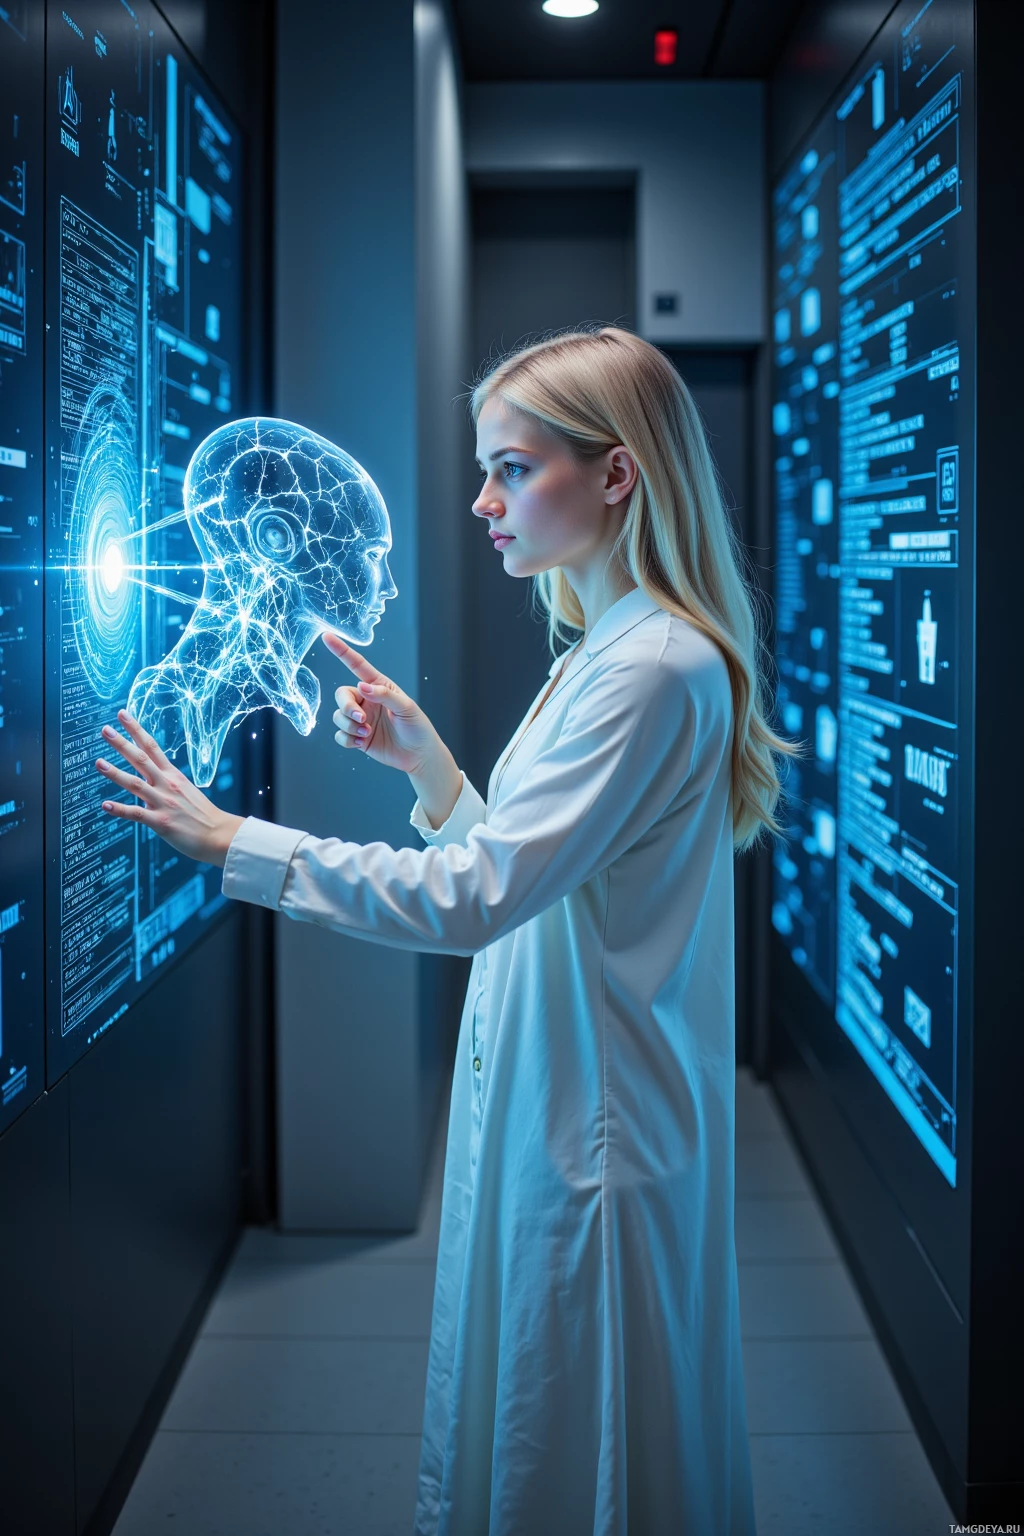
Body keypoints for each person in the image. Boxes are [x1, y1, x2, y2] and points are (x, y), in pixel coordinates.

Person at [95, 327, 794, 1535]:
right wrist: (430, 769)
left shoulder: (648, 670)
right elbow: (545, 878)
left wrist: (237, 846)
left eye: (512, 470)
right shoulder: (612, 651)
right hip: (573, 1104)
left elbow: (481, 898)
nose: (482, 502)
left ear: (616, 475)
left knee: (587, 1460)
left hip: (597, 1136)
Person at [127, 417, 396, 785]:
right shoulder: (164, 705)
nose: (390, 587)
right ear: (276, 539)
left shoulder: (302, 691)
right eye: (372, 555)